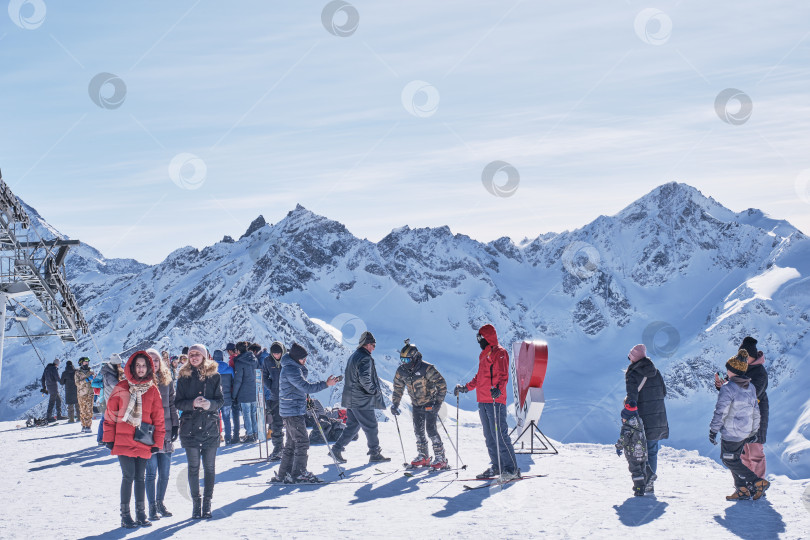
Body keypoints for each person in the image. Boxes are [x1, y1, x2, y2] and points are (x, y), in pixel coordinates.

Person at [103, 351, 166, 529]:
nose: (140, 368)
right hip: (122, 440)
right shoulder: (121, 387)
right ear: (132, 366)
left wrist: (157, 442)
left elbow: (158, 418)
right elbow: (110, 415)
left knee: (140, 477)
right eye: (137, 365)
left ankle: (141, 514)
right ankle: (126, 516)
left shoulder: (153, 390)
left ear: (149, 368)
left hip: (143, 439)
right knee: (128, 476)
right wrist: (108, 438)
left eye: (143, 365)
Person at [454, 324, 519, 481]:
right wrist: (465, 388)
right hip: (483, 401)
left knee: (500, 435)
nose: (478, 341)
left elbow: (503, 375)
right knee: (489, 436)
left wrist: (498, 388)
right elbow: (479, 377)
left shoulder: (500, 352)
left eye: (479, 338)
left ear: (486, 337)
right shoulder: (483, 355)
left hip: (495, 400)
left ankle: (511, 470)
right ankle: (497, 467)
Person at [274, 343, 339, 483]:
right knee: (302, 441)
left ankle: (284, 473)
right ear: (296, 358)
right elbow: (305, 386)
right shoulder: (292, 370)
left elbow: (298, 388)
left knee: (292, 443)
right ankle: (298, 473)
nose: (305, 361)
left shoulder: (292, 368)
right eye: (303, 359)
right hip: (293, 411)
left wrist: (305, 398)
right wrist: (326, 384)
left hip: (291, 409)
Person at [710, 350, 770, 501]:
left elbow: (720, 411)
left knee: (728, 459)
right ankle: (742, 489)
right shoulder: (750, 387)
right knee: (735, 458)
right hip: (745, 431)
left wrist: (713, 429)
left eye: (728, 369)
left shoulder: (728, 388)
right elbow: (756, 411)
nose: (726, 371)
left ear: (733, 371)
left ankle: (757, 482)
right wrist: (754, 431)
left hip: (731, 431)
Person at [176, 344, 224, 519]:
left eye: (197, 354)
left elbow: (220, 401)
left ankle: (207, 503)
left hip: (210, 427)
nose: (194, 357)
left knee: (209, 468)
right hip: (190, 428)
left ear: (204, 356)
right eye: (191, 355)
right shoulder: (183, 376)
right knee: (194, 467)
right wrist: (193, 404)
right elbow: (178, 403)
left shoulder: (215, 376)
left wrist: (210, 404)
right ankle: (196, 504)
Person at [331, 331, 390, 463]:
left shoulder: (354, 356)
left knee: (353, 426)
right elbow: (364, 379)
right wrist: (373, 390)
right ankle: (374, 453)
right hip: (361, 399)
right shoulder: (365, 358)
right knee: (371, 426)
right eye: (373, 345)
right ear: (367, 344)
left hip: (351, 398)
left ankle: (336, 449)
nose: (374, 348)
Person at [390, 340, 449, 469]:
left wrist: (438, 403)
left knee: (431, 430)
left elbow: (442, 384)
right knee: (418, 431)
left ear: (415, 357)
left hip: (430, 404)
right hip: (416, 404)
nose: (404, 363)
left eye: (407, 360)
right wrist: (395, 404)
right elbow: (398, 388)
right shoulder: (401, 371)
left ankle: (441, 458)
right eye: (402, 360)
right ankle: (424, 456)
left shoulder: (426, 368)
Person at [716, 336, 768, 480]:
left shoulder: (760, 373)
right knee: (743, 453)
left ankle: (759, 483)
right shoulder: (741, 369)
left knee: (756, 452)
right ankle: (748, 483)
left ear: (752, 356)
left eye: (746, 357)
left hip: (756, 416)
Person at [624, 344, 668, 494]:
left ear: (633, 359)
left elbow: (632, 400)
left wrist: (627, 412)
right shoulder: (656, 372)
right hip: (658, 417)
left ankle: (643, 482)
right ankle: (650, 484)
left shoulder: (632, 374)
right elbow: (664, 392)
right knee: (652, 451)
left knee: (639, 452)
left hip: (642, 419)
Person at [145, 349, 179, 521]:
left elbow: (172, 404)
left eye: (156, 360)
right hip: (148, 433)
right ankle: (151, 506)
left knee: (165, 473)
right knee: (151, 473)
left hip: (165, 431)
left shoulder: (167, 380)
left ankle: (160, 503)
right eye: (150, 360)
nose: (154, 363)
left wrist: (175, 425)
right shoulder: (140, 382)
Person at [615, 400, 648, 496]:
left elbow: (623, 440)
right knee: (642, 469)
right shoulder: (639, 423)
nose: (622, 420)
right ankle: (643, 486)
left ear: (627, 418)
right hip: (643, 452)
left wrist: (618, 447)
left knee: (636, 471)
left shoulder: (627, 428)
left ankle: (639, 488)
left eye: (623, 418)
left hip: (633, 455)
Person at [262, 341, 286, 460]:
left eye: (279, 353)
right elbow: (264, 375)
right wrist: (271, 386)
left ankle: (290, 449)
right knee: (275, 424)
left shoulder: (288, 359)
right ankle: (278, 448)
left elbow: (303, 371)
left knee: (291, 424)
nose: (277, 356)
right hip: (275, 396)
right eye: (274, 354)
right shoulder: (267, 361)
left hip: (288, 396)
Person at [232, 341, 259, 443]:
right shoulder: (255, 360)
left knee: (246, 414)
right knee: (253, 413)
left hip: (244, 392)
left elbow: (238, 380)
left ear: (238, 350)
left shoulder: (239, 362)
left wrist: (234, 395)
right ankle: (255, 433)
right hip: (254, 390)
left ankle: (250, 435)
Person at [98, 353, 124, 445]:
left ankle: (106, 439)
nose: (120, 366)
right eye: (119, 364)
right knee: (107, 420)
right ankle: (104, 439)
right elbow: (117, 386)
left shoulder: (112, 372)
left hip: (112, 400)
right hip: (110, 400)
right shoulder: (109, 375)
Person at [213, 350, 235, 445]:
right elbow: (233, 383)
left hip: (215, 400)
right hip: (227, 398)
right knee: (226, 419)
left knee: (215, 419)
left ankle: (217, 438)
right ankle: (228, 438)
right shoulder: (229, 369)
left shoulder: (211, 371)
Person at [75, 357, 96, 433]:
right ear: (81, 362)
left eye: (87, 361)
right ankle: (83, 425)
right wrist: (86, 380)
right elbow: (77, 383)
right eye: (85, 362)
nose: (87, 363)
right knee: (83, 410)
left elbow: (94, 381)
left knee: (89, 410)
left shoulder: (91, 371)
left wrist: (94, 379)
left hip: (90, 393)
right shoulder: (77, 372)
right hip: (81, 394)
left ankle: (88, 426)